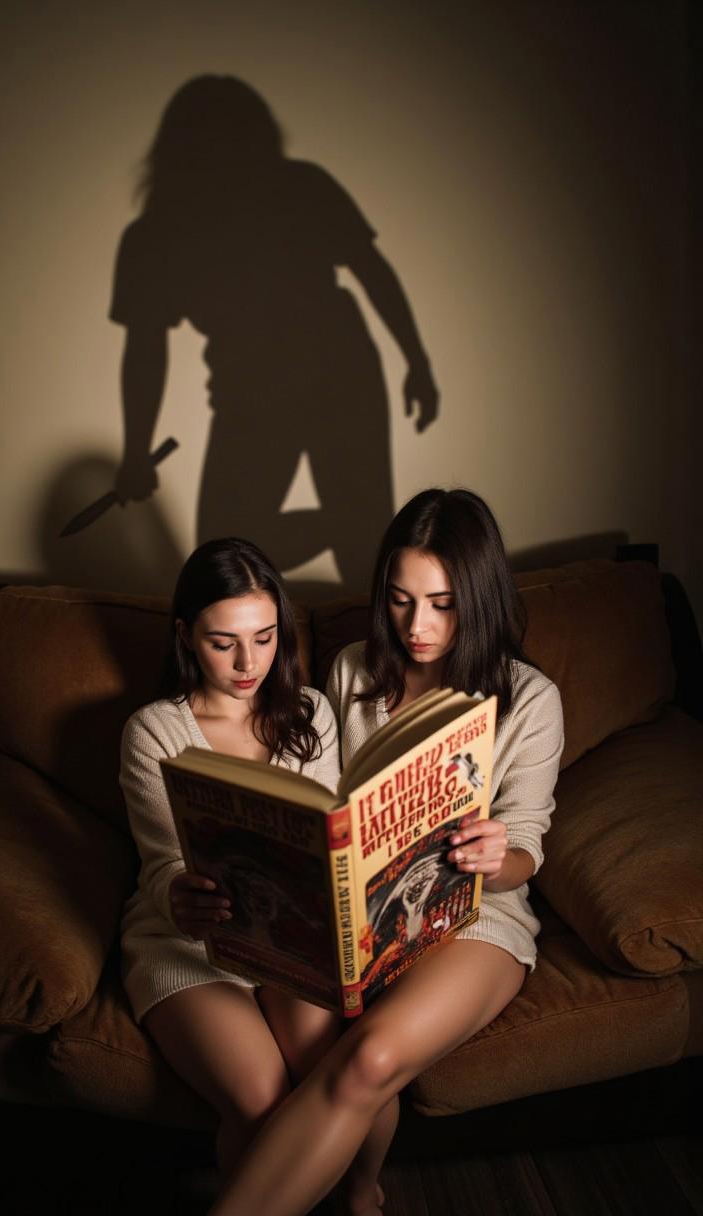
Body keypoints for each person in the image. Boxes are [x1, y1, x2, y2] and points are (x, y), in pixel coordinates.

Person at [208, 489, 564, 1216]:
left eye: (442, 603)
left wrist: (496, 855)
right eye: (400, 601)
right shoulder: (350, 673)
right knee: (326, 1056)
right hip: (368, 918)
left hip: (477, 918)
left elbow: (527, 846)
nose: (418, 626)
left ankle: (355, 1192)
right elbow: (330, 804)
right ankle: (356, 1193)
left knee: (369, 1056)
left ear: (481, 596)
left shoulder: (530, 698)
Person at [111, 75, 438, 588]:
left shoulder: (297, 188)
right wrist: (135, 449)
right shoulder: (158, 234)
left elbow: (371, 269)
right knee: (227, 553)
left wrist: (417, 362)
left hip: (336, 369)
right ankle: (348, 526)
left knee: (354, 559)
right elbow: (146, 350)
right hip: (262, 384)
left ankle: (360, 561)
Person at [119, 537, 343, 1179]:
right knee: (259, 1096)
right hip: (189, 944)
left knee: (337, 1071)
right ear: (186, 637)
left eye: (266, 637)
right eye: (225, 643)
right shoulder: (155, 731)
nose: (250, 663)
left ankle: (362, 1197)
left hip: (291, 942)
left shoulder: (311, 714)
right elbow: (161, 860)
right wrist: (177, 892)